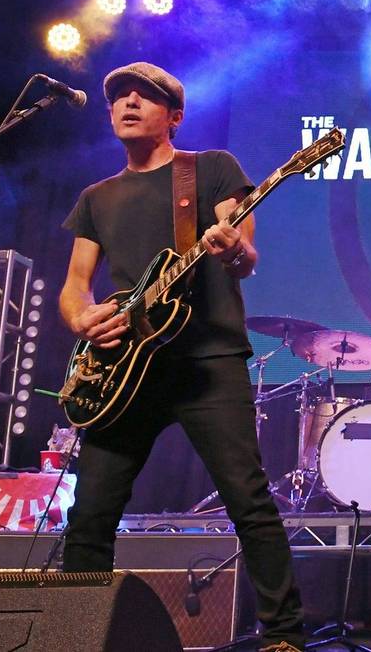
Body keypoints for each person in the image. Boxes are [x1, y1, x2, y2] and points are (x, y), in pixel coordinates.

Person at [58, 62, 307, 652]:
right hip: (124, 372)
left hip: (206, 361)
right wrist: (82, 319)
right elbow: (74, 286)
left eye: (145, 96)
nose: (129, 103)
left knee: (248, 499)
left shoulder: (211, 169)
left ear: (173, 117)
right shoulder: (96, 198)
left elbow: (244, 255)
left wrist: (231, 249)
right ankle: (79, 635)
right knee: (90, 513)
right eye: (119, 96)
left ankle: (284, 636)